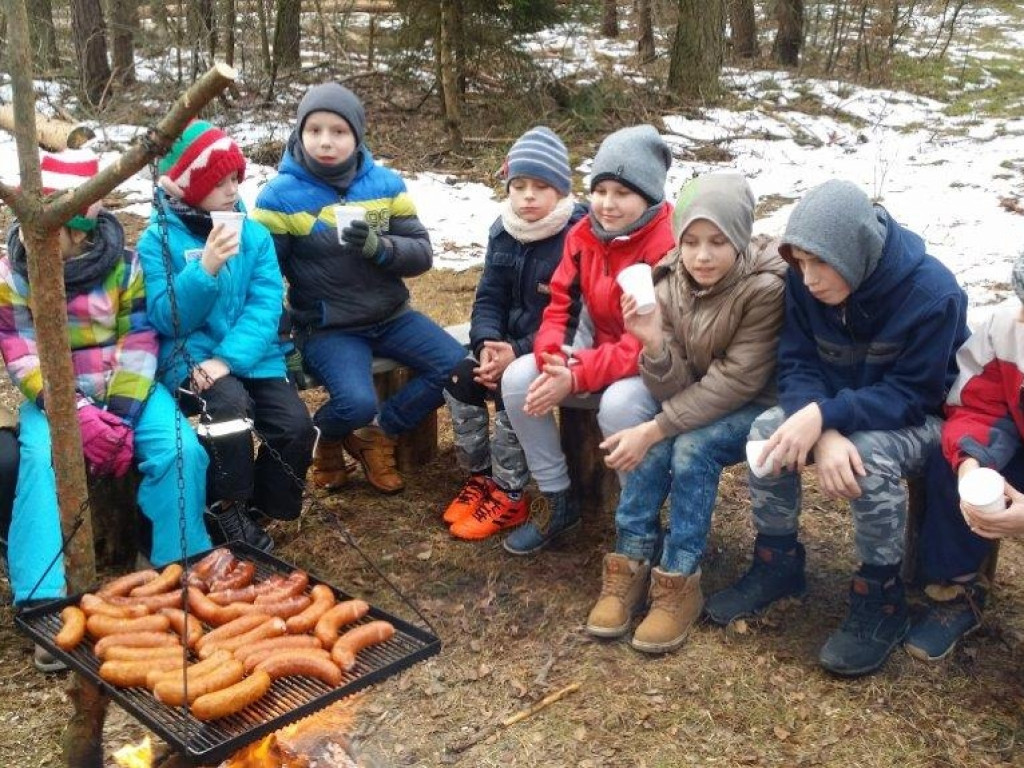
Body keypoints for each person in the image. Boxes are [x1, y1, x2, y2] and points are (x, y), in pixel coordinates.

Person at [704, 179, 969, 677]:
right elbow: (797, 364)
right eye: (800, 263)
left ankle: (882, 596)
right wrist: (822, 428)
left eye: (820, 264)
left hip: (923, 422)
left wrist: (827, 418)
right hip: (833, 412)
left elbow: (913, 394)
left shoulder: (932, 293)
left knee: (865, 455)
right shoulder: (804, 286)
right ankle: (777, 562)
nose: (808, 279)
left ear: (856, 253)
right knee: (767, 433)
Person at [0, 149, 212, 670]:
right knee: (40, 463)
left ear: (78, 228)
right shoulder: (13, 273)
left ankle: (173, 563)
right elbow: (18, 348)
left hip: (126, 390)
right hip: (54, 398)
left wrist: (119, 412)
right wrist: (70, 410)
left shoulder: (124, 262)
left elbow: (139, 335)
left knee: (180, 448)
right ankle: (45, 600)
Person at [585, 173, 786, 654]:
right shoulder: (668, 280)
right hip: (699, 400)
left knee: (689, 447)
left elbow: (735, 382)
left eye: (718, 242)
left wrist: (656, 428)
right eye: (691, 242)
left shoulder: (764, 288)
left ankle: (679, 578)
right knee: (656, 447)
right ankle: (632, 560)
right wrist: (654, 341)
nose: (702, 256)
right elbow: (676, 388)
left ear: (739, 238)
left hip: (758, 406)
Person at [253, 82, 466, 495]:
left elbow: (422, 254)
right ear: (299, 133)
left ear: (357, 134)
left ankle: (377, 434)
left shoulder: (385, 185)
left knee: (456, 369)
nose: (325, 141)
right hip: (329, 327)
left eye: (338, 131)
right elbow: (263, 278)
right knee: (355, 403)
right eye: (314, 130)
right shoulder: (278, 197)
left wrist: (379, 248)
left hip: (392, 316)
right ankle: (326, 436)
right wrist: (281, 339)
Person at [138, 121, 316, 553]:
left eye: (236, 178)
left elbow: (265, 304)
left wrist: (230, 358)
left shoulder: (254, 234)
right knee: (229, 410)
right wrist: (206, 269)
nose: (232, 190)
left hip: (252, 356)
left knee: (295, 427)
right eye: (218, 182)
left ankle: (259, 507)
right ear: (188, 186)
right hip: (189, 358)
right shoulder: (157, 240)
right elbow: (166, 318)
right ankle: (225, 505)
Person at [500, 124, 676, 556]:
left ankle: (639, 520)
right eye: (599, 190)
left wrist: (576, 375)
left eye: (622, 193)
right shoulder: (583, 235)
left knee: (619, 405)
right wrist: (553, 360)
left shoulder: (668, 243)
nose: (607, 204)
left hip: (655, 361)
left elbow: (651, 339)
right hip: (596, 350)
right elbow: (561, 306)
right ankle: (559, 498)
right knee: (519, 378)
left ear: (649, 196)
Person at [441, 127, 586, 541]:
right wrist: (486, 344)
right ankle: (482, 478)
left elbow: (574, 316)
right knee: (460, 378)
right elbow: (489, 297)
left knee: (512, 385)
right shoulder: (503, 230)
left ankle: (510, 493)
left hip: (554, 347)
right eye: (519, 186)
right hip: (504, 345)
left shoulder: (576, 237)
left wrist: (518, 351)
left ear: (561, 189)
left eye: (541, 187)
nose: (528, 196)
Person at [903, 255, 1024, 662]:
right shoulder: (1007, 326)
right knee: (950, 463)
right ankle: (956, 586)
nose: (1022, 318)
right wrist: (971, 462)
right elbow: (979, 405)